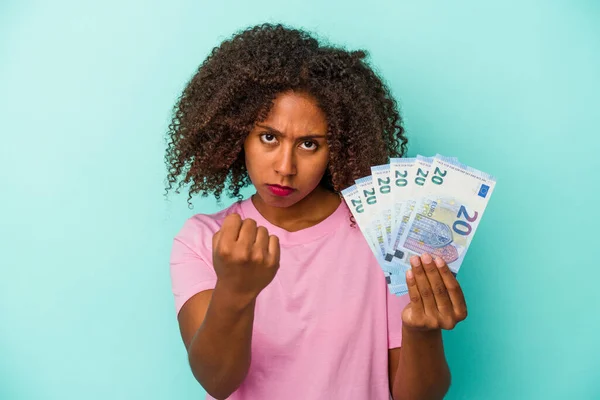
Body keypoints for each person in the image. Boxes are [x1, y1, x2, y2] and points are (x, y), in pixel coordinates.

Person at [165, 23, 467, 400]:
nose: (285, 167)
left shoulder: (383, 234)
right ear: (236, 132)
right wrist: (235, 291)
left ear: (339, 147)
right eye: (269, 137)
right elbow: (217, 381)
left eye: (309, 144)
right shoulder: (201, 240)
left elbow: (419, 397)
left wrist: (423, 332)